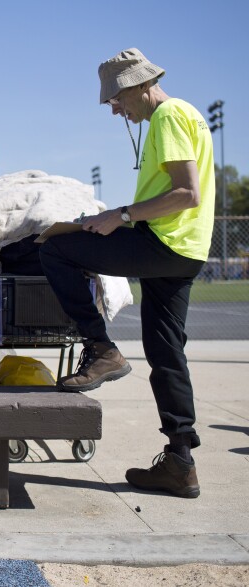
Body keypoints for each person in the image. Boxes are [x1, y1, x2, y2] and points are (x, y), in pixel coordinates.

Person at [39, 48, 215, 498]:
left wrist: (120, 214)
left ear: (139, 85)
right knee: (165, 349)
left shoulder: (169, 116)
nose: (115, 108)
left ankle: (102, 349)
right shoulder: (187, 115)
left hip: (164, 242)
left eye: (116, 99)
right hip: (186, 249)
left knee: (57, 249)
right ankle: (181, 461)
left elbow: (186, 193)